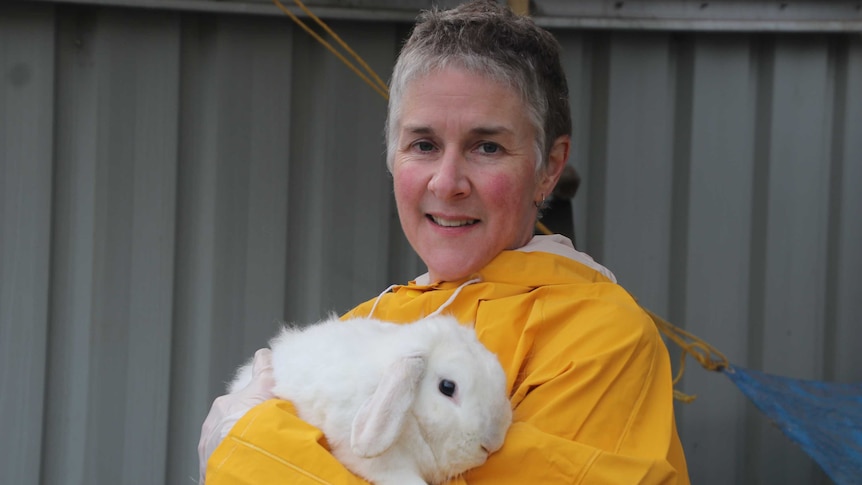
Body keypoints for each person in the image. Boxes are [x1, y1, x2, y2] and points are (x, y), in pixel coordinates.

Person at [199, 1, 689, 483]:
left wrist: (249, 448)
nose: (447, 182)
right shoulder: (366, 326)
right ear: (392, 156)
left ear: (549, 168)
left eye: (487, 147)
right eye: (424, 145)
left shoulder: (599, 338)